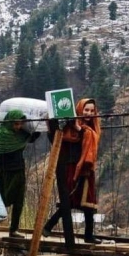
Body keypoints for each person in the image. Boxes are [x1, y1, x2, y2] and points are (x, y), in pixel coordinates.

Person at [43, 98, 102, 244]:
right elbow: (56, 139)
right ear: (79, 110)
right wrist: (53, 121)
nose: (88, 113)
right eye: (85, 110)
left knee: (88, 202)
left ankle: (88, 235)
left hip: (86, 169)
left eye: (91, 110)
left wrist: (79, 129)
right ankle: (48, 226)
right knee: (69, 199)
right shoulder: (68, 127)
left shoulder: (91, 128)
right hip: (69, 168)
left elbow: (90, 139)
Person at [0, 109, 40, 238]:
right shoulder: (1, 133)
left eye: (20, 124)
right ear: (10, 122)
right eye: (16, 124)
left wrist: (40, 126)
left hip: (19, 170)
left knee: (19, 200)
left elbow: (31, 138)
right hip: (3, 172)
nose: (18, 127)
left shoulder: (21, 134)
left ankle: (14, 229)